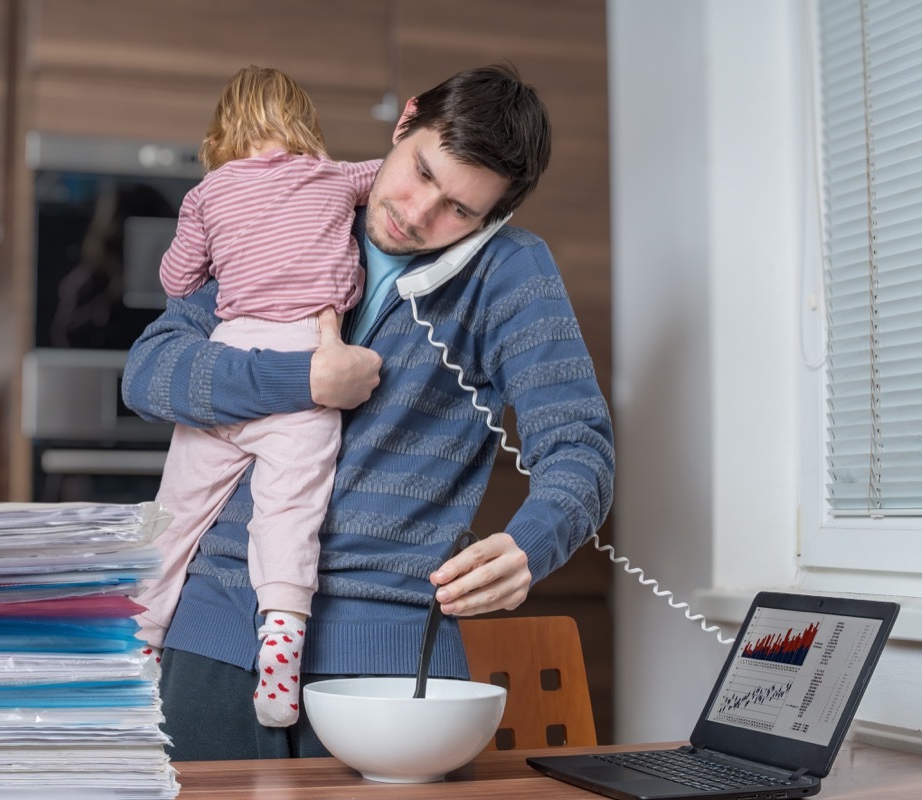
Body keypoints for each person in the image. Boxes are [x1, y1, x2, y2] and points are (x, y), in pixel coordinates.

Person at [121, 63, 615, 760]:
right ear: (406, 120)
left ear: (494, 219)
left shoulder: (512, 274)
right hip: (213, 638)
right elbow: (149, 373)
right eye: (421, 171)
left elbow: (580, 448)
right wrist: (306, 378)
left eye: (460, 211)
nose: (417, 214)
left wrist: (533, 542)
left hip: (389, 661)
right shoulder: (289, 206)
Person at [135, 65, 381, 728]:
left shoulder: (208, 192)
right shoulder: (335, 177)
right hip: (310, 354)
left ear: (223, 133)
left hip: (230, 352)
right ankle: (282, 642)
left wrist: (227, 244)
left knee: (175, 513)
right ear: (303, 126)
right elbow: (392, 176)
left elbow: (177, 279)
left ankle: (136, 641)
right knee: (288, 513)